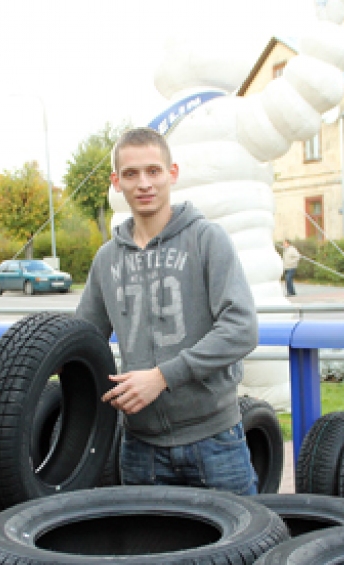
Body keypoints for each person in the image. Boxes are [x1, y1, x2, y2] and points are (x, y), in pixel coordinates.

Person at [75, 127, 260, 495]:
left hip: (215, 440)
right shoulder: (106, 259)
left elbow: (241, 328)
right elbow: (82, 340)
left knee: (241, 552)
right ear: (116, 182)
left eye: (153, 171)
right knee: (152, 553)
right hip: (139, 448)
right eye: (131, 174)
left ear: (171, 173)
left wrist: (162, 376)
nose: (144, 183)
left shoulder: (207, 239)